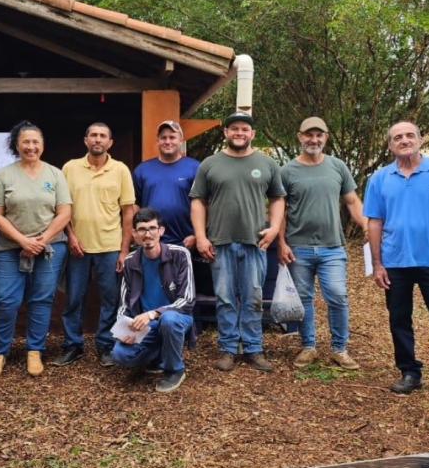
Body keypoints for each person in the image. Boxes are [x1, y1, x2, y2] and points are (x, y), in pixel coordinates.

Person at [363, 121, 429, 403]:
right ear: (390, 145)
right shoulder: (380, 178)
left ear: (421, 140)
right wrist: (377, 264)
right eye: (397, 137)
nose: (404, 140)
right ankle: (409, 371)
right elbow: (374, 221)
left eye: (410, 135)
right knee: (399, 319)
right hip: (395, 261)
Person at [190, 111, 286, 372]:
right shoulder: (210, 164)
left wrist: (275, 227)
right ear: (226, 133)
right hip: (220, 242)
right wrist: (200, 236)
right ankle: (228, 348)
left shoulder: (266, 163)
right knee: (225, 298)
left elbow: (278, 198)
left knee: (253, 296)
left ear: (252, 133)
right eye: (234, 129)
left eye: (245, 129)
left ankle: (254, 348)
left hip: (255, 243)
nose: (239, 133)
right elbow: (198, 201)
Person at [0, 121, 72, 379]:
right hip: (10, 247)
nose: (31, 147)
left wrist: (41, 240)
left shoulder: (55, 174)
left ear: (42, 145)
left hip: (50, 248)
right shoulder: (4, 175)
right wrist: (23, 241)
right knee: (4, 301)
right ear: (16, 145)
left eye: (35, 142)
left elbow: (65, 212)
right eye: (25, 142)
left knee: (41, 300)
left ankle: (35, 350)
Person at [278, 116, 367, 371]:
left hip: (332, 247)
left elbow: (352, 201)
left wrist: (366, 226)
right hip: (298, 247)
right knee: (304, 297)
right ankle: (308, 346)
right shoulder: (287, 171)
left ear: (326, 137)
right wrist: (281, 243)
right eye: (309, 135)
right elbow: (280, 211)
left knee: (337, 296)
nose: (313, 139)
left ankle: (340, 349)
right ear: (300, 137)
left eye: (319, 135)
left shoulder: (337, 166)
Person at [53, 123, 135, 368]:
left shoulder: (120, 170)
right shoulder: (70, 168)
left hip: (110, 247)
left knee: (110, 300)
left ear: (110, 142)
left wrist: (124, 250)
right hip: (77, 246)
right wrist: (70, 236)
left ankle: (105, 346)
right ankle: (72, 345)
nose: (97, 139)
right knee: (73, 298)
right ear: (85, 140)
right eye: (93, 135)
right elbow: (62, 208)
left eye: (103, 136)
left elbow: (128, 212)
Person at [111, 207, 195, 393]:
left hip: (175, 318)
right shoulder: (131, 261)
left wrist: (153, 313)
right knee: (119, 354)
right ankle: (160, 355)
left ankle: (175, 369)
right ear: (134, 234)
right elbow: (124, 303)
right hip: (145, 326)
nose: (147, 234)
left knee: (168, 319)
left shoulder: (179, 254)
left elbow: (188, 299)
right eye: (141, 229)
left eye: (152, 228)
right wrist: (122, 330)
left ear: (161, 231)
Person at [133, 120, 200, 248]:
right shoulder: (142, 170)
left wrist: (197, 235)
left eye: (172, 137)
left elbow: (204, 205)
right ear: (157, 140)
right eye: (163, 138)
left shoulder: (195, 168)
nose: (167, 141)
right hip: (150, 242)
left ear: (181, 140)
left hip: (185, 242)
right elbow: (135, 205)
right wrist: (136, 233)